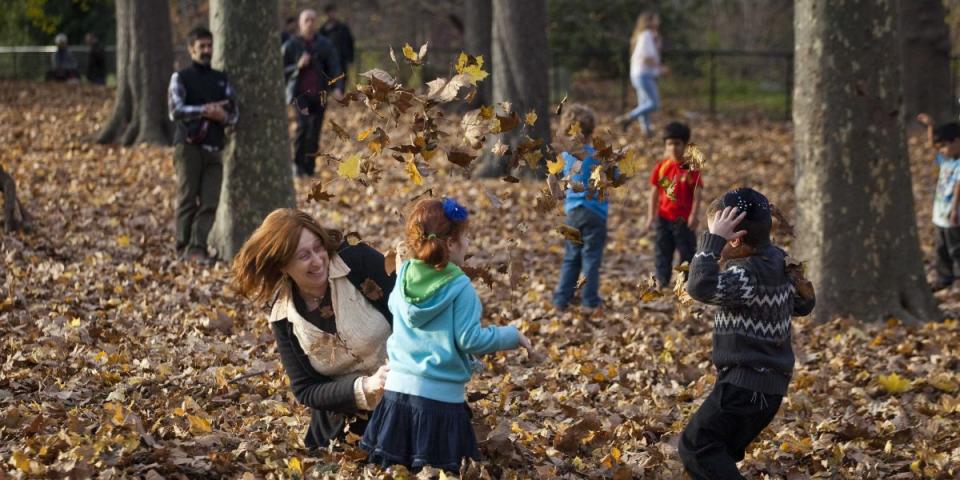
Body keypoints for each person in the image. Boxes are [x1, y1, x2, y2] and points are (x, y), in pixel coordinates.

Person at [361, 198, 533, 472]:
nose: (468, 244)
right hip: (437, 401)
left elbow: (396, 310)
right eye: (466, 237)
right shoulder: (460, 287)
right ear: (450, 243)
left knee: (398, 470)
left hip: (396, 393)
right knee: (437, 470)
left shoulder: (404, 274)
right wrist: (511, 336)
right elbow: (470, 340)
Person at [679, 188, 815, 480]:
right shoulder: (778, 260)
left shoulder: (746, 274)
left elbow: (700, 286)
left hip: (744, 387)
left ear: (735, 239)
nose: (715, 240)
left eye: (718, 233)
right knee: (720, 452)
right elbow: (804, 304)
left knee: (697, 446)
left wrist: (710, 244)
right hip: (771, 388)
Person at [232, 209, 395, 449]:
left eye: (318, 248)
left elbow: (412, 310)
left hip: (408, 396)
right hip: (345, 427)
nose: (318, 260)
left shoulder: (357, 260)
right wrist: (365, 387)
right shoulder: (284, 317)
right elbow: (305, 389)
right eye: (303, 255)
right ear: (282, 265)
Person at [167, 27, 238, 262]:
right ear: (191, 49)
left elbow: (234, 114)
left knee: (210, 201)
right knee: (187, 197)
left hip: (215, 148)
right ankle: (182, 245)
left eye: (209, 46)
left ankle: (197, 247)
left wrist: (222, 117)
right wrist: (206, 110)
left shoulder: (221, 79)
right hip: (188, 146)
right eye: (202, 46)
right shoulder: (181, 77)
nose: (207, 50)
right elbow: (175, 110)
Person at [550, 104, 610, 315]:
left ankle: (561, 299)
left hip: (573, 214)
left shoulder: (568, 158)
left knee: (571, 256)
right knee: (591, 258)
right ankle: (589, 300)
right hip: (595, 215)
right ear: (592, 132)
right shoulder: (599, 158)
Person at [282, 9, 343, 177]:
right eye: (306, 20)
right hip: (299, 96)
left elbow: (335, 66)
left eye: (312, 20)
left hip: (319, 96)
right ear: (300, 24)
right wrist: (298, 66)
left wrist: (338, 87)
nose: (309, 23)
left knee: (314, 132)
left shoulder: (324, 44)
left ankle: (309, 168)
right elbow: (280, 70)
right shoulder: (291, 45)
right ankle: (297, 165)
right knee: (302, 128)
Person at [641, 122, 702, 287]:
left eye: (677, 143)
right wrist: (650, 217)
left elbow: (697, 194)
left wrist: (694, 216)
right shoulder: (661, 168)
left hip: (683, 219)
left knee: (687, 252)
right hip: (664, 217)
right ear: (665, 146)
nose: (673, 147)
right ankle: (662, 280)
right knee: (662, 251)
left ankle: (685, 283)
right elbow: (654, 193)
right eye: (669, 144)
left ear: (685, 145)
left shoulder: (690, 169)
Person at [917, 113, 960, 291]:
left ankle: (958, 278)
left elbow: (959, 185)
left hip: (953, 212)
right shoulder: (946, 159)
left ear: (957, 141)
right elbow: (932, 146)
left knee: (955, 248)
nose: (941, 150)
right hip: (940, 213)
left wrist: (954, 208)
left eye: (945, 146)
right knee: (941, 248)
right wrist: (930, 127)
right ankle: (945, 278)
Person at [616, 12, 666, 135]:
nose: (658, 21)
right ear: (649, 21)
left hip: (638, 74)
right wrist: (660, 68)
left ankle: (646, 130)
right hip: (643, 74)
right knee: (654, 103)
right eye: (655, 19)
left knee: (644, 104)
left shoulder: (646, 35)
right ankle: (628, 118)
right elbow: (647, 58)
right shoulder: (646, 35)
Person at [320, 3, 355, 88]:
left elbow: (350, 42)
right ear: (326, 14)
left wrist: (350, 59)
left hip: (341, 60)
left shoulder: (343, 28)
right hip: (327, 62)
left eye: (333, 12)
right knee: (328, 84)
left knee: (341, 83)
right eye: (330, 12)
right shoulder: (323, 30)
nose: (332, 14)